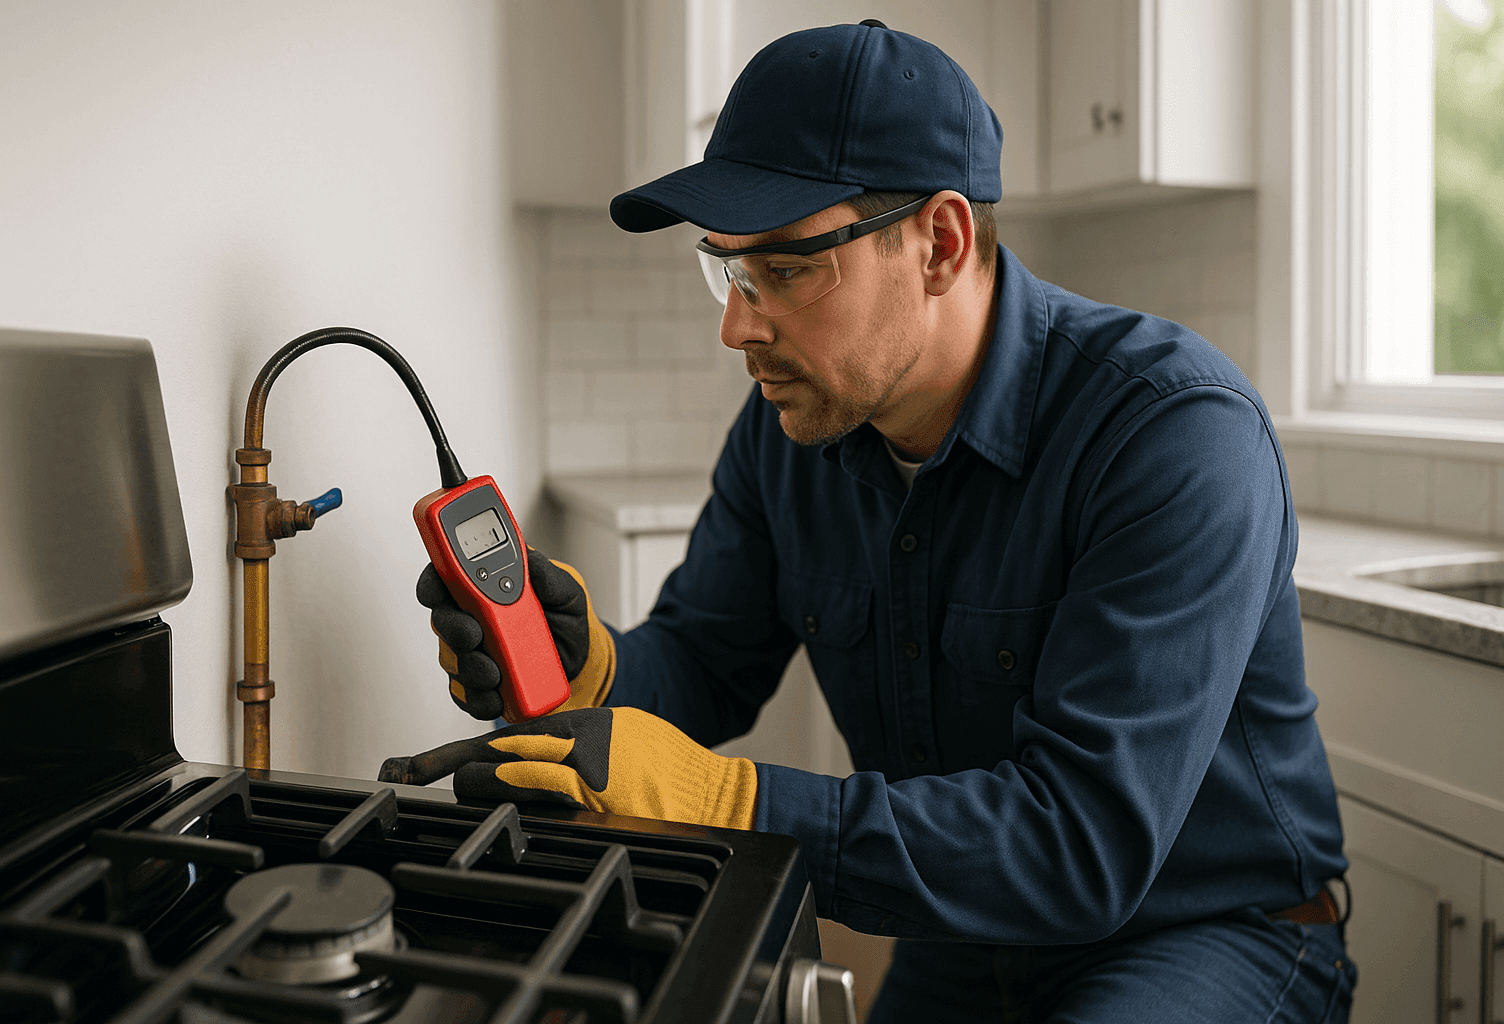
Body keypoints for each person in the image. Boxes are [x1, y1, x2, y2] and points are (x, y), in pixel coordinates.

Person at [410, 20, 1356, 1023]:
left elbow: (1081, 845)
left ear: (939, 243)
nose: (737, 324)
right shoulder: (792, 427)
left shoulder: (1173, 435)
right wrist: (594, 669)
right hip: (971, 932)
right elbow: (707, 654)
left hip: (1207, 935)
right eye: (727, 270)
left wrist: (726, 803)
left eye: (784, 269)